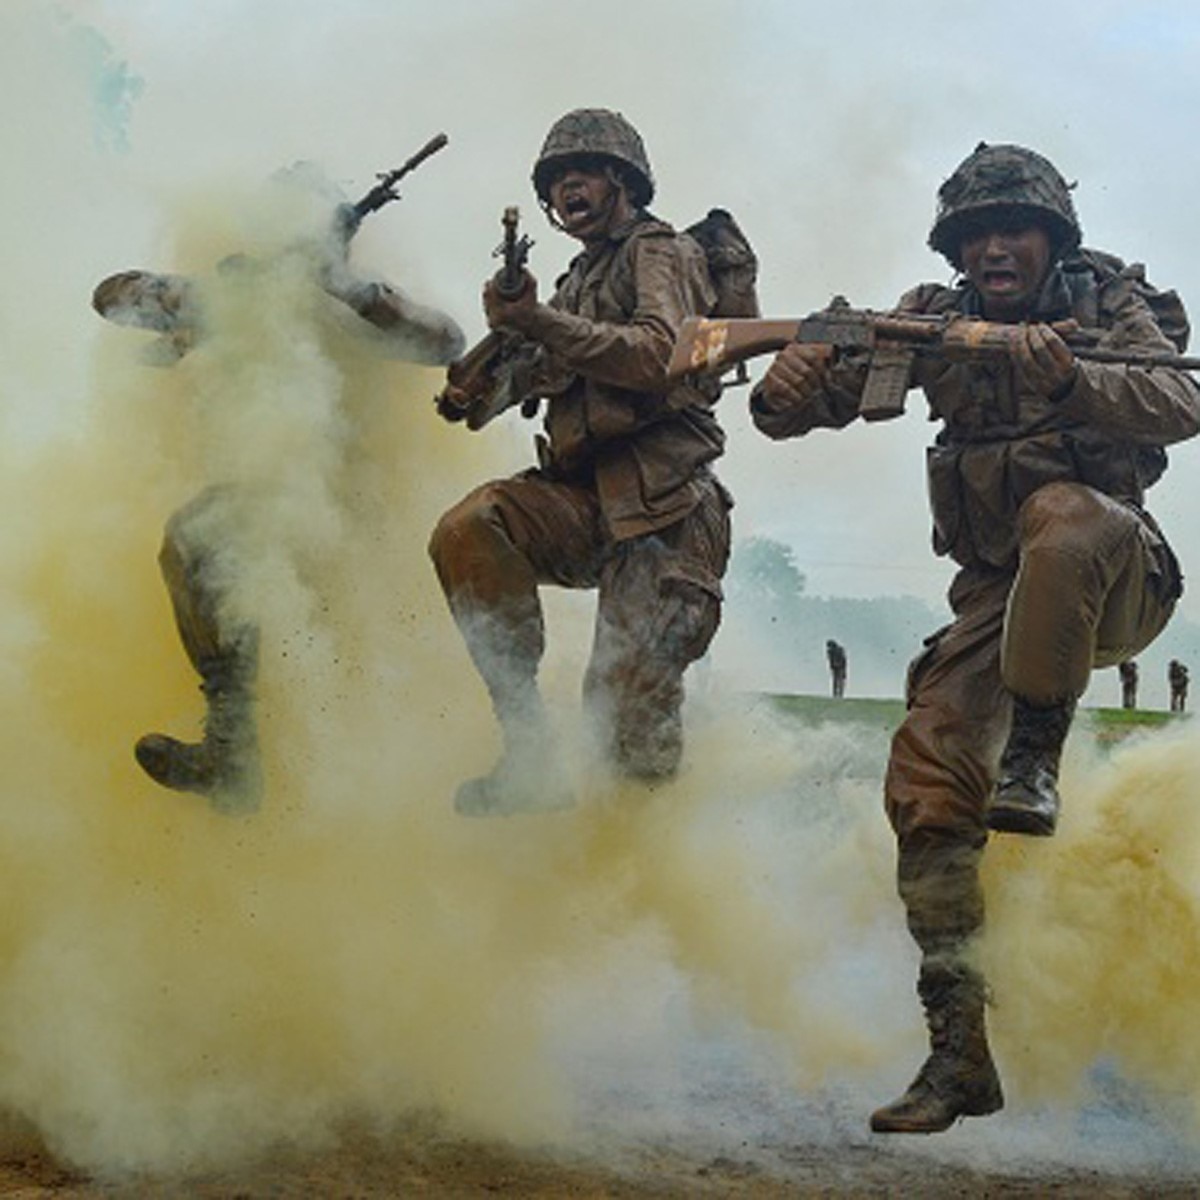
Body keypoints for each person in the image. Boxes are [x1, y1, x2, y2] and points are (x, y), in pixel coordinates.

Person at [751, 143, 1200, 1133]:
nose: (995, 248)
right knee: (925, 787)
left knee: (1061, 515)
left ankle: (1035, 758)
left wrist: (1076, 379)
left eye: (1015, 230)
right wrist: (785, 389)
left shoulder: (1109, 302)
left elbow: (1181, 401)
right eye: (976, 234)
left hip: (1114, 571)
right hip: (995, 598)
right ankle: (958, 1055)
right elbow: (819, 403)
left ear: (1053, 238)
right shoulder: (933, 316)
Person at [94, 175, 464, 812]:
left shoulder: (354, 309)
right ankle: (231, 745)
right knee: (193, 540)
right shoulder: (236, 302)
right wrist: (204, 297)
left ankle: (250, 753)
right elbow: (111, 297)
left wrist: (346, 287)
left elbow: (446, 342)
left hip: (351, 505)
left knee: (198, 535)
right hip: (268, 500)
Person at [430, 108, 733, 816]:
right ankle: (528, 753)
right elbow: (529, 377)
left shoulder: (661, 252)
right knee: (470, 529)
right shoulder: (574, 283)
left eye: (584, 174)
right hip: (585, 502)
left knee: (623, 729)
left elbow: (661, 353)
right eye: (557, 180)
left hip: (667, 509)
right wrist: (475, 387)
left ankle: (652, 880)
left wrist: (535, 321)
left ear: (622, 181)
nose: (569, 189)